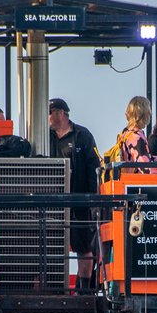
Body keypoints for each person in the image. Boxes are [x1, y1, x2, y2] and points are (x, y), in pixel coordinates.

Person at [48, 98, 102, 288]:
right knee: (50, 246)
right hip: (51, 204)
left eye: (49, 112)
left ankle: (84, 288)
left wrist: (92, 200)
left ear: (61, 113)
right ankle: (52, 286)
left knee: (84, 247)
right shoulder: (44, 135)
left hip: (79, 201)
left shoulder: (82, 135)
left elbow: (94, 167)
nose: (46, 117)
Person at [118, 96, 157, 175]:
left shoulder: (126, 133)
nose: (150, 114)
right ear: (144, 114)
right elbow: (147, 169)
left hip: (127, 180)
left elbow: (148, 159)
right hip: (136, 181)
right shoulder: (136, 137)